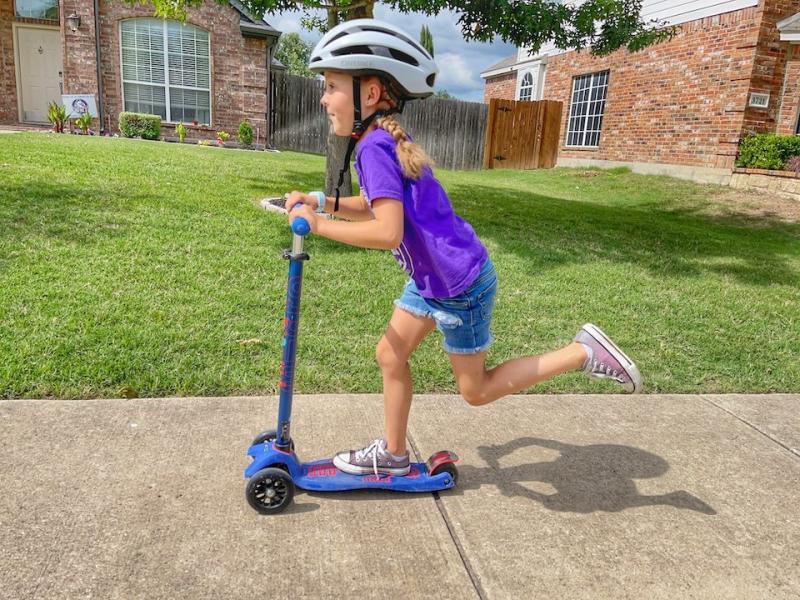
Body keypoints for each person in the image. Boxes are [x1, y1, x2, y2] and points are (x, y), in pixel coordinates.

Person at [285, 19, 643, 477]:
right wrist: (323, 202)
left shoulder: (373, 147)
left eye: (331, 86)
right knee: (390, 354)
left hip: (458, 285)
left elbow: (387, 232)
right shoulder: (380, 141)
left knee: (475, 391)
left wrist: (318, 225)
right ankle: (394, 454)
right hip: (433, 277)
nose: (323, 98)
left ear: (369, 94)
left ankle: (582, 353)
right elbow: (381, 206)